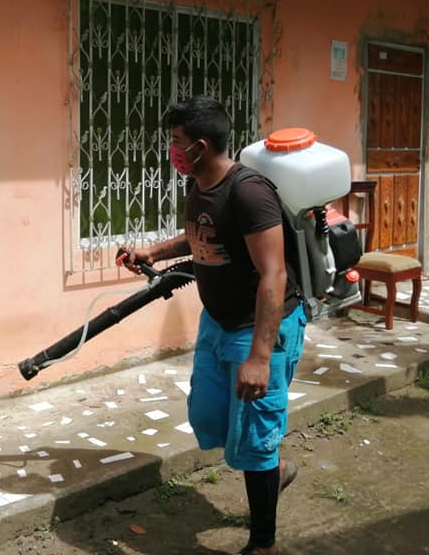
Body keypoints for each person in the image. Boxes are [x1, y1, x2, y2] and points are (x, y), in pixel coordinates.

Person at [117, 95, 305, 555]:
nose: (172, 151)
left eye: (176, 141)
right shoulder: (201, 186)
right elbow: (203, 233)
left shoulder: (249, 192)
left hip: (259, 329)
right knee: (207, 417)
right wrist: (154, 251)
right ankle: (274, 471)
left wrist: (260, 357)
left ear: (199, 146)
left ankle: (262, 543)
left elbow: (273, 274)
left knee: (255, 438)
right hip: (217, 323)